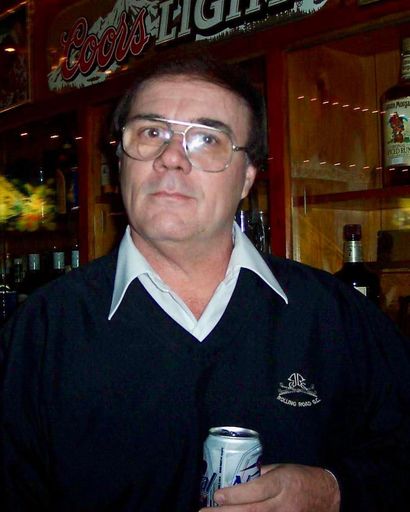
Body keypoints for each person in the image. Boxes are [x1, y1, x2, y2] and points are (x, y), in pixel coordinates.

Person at [1, 50, 410, 512]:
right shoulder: (41, 331)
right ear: (120, 161)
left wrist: (334, 490)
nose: (171, 158)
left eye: (208, 139)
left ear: (247, 178)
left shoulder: (334, 316)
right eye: (151, 132)